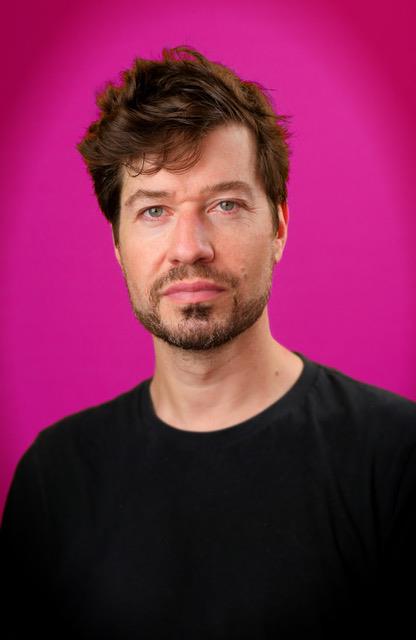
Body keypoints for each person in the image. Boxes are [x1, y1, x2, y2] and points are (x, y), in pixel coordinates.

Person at [1, 46, 415, 639]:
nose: (189, 247)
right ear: (117, 244)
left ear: (278, 226)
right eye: (154, 211)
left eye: (225, 204)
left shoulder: (395, 456)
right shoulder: (54, 480)